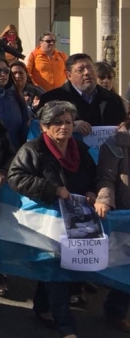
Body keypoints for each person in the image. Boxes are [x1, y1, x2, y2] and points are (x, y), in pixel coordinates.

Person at [8, 101, 97, 338]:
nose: (64, 127)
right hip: (46, 221)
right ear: (45, 127)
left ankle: (41, 307)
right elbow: (16, 178)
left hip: (76, 219)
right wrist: (53, 189)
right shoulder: (33, 149)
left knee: (65, 267)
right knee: (56, 270)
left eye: (68, 122)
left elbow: (93, 177)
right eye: (57, 123)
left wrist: (92, 192)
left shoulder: (81, 149)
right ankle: (66, 326)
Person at [94, 120, 130, 332]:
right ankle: (115, 311)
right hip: (125, 215)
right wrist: (105, 200)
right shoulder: (115, 143)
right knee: (125, 264)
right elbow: (106, 178)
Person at [39, 53, 127, 135]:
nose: (87, 72)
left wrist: (124, 126)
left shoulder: (112, 99)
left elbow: (123, 122)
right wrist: (70, 126)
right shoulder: (52, 99)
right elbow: (41, 129)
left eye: (90, 68)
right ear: (69, 75)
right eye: (80, 70)